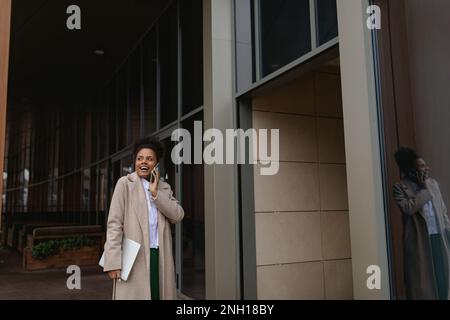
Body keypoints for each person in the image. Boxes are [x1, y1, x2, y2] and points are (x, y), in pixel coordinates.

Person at [102, 137, 184, 300]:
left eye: (149, 158)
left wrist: (155, 193)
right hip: (134, 258)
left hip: (159, 256)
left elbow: (177, 215)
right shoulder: (125, 184)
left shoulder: (164, 187)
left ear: (156, 164)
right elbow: (114, 224)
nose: (143, 162)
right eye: (140, 158)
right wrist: (113, 261)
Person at [393, 147, 450, 300]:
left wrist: (448, 230)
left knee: (443, 276)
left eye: (426, 165)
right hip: (419, 242)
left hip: (438, 237)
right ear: (412, 169)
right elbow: (408, 208)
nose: (427, 168)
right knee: (422, 284)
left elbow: (442, 210)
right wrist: (423, 189)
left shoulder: (433, 184)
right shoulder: (400, 187)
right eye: (422, 166)